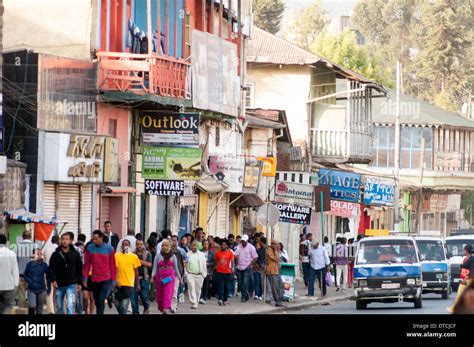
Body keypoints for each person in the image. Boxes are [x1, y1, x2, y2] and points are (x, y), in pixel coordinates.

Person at [83, 230, 117, 315]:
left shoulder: (109, 249)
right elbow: (87, 264)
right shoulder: (90, 248)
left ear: (101, 238)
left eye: (96, 239)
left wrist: (113, 280)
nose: (94, 241)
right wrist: (85, 278)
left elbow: (112, 265)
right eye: (93, 239)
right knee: (97, 300)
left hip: (106, 278)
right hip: (94, 279)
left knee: (101, 299)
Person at [48, 232, 83, 314]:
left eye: (67, 239)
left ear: (70, 241)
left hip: (72, 284)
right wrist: (53, 280)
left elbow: (79, 269)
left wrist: (79, 283)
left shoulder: (75, 254)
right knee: (59, 306)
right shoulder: (55, 254)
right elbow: (51, 268)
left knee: (70, 306)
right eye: (63, 239)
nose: (64, 241)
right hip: (59, 284)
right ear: (60, 241)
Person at [151, 239, 182, 314]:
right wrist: (152, 277)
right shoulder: (158, 256)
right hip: (160, 277)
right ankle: (162, 307)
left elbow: (176, 268)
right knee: (159, 295)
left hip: (170, 277)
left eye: (166, 245)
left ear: (169, 246)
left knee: (167, 293)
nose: (164, 247)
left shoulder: (173, 256)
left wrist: (179, 278)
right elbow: (155, 267)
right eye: (162, 245)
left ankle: (166, 308)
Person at [114, 239, 141, 315]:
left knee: (124, 305)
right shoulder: (116, 256)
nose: (125, 246)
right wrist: (115, 281)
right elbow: (115, 269)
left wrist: (137, 283)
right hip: (118, 283)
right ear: (121, 246)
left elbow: (136, 271)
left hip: (129, 283)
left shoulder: (134, 257)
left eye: (127, 244)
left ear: (129, 246)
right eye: (123, 244)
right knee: (116, 301)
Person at [448, 244, 474, 313]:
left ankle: (455, 308)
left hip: (468, 280)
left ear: (467, 250)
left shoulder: (472, 259)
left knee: (460, 293)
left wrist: (465, 279)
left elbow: (472, 270)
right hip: (463, 278)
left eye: (464, 250)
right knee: (460, 293)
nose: (463, 251)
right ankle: (455, 307)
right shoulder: (466, 258)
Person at [23, 249, 50, 315]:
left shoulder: (44, 265)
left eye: (41, 254)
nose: (39, 256)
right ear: (34, 255)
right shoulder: (30, 264)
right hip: (31, 289)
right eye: (37, 254)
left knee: (39, 309)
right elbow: (25, 275)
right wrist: (30, 282)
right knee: (32, 305)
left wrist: (49, 287)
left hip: (42, 289)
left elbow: (48, 276)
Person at [16, 230, 37, 308]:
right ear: (30, 237)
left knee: (21, 293)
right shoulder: (34, 246)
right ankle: (31, 310)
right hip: (31, 275)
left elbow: (16, 260)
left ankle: (21, 310)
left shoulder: (17, 246)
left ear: (22, 237)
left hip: (20, 274)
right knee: (31, 293)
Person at [131, 239, 152, 314]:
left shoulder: (147, 253)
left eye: (141, 244)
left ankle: (146, 307)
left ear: (143, 245)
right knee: (133, 298)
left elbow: (149, 264)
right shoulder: (132, 254)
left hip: (144, 278)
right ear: (136, 245)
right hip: (133, 279)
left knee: (144, 296)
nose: (139, 246)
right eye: (138, 244)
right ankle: (135, 312)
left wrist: (138, 261)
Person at [234, 234, 258, 303]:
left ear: (247, 241)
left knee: (245, 282)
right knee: (240, 282)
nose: (243, 242)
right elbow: (236, 255)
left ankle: (244, 296)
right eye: (242, 241)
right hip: (239, 267)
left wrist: (250, 265)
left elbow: (255, 257)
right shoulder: (238, 246)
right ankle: (246, 295)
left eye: (244, 241)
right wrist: (236, 263)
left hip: (247, 267)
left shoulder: (251, 247)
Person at [185, 240, 207, 309]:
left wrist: (204, 274)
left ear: (197, 246)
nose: (194, 247)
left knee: (198, 290)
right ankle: (193, 302)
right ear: (190, 246)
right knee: (191, 288)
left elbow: (204, 265)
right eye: (192, 245)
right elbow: (185, 264)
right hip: (190, 274)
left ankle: (196, 303)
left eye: (195, 245)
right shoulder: (187, 254)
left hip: (200, 275)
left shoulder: (202, 254)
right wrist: (186, 273)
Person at [0, 234, 19, 314]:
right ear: (6, 242)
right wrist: (15, 284)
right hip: (9, 286)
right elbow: (15, 271)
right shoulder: (11, 254)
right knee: (8, 306)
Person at [214, 239, 235, 306]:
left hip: (227, 272)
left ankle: (225, 299)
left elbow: (232, 261)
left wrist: (233, 268)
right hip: (219, 272)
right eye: (222, 245)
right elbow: (216, 261)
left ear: (227, 246)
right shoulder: (218, 253)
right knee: (220, 286)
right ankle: (220, 299)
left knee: (226, 287)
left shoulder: (230, 253)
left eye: (224, 245)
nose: (223, 246)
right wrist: (214, 268)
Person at [265, 240, 285, 307]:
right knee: (275, 287)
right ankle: (277, 301)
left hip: (276, 271)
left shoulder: (275, 251)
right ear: (272, 244)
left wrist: (277, 250)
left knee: (281, 286)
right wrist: (277, 250)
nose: (278, 246)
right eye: (276, 245)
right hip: (271, 271)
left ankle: (280, 300)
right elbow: (276, 258)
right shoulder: (269, 250)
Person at [43, 234, 59, 314]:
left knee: (49, 293)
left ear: (51, 241)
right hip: (59, 274)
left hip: (48, 274)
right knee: (60, 292)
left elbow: (45, 262)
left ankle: (51, 311)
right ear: (58, 241)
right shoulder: (60, 249)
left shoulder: (46, 249)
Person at [171, 235, 188, 311]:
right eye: (172, 240)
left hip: (177, 274)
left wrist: (183, 269)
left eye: (175, 240)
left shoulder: (181, 251)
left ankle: (174, 306)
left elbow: (186, 259)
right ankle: (169, 304)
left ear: (177, 241)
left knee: (175, 290)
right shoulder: (166, 250)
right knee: (168, 289)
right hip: (167, 274)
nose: (173, 242)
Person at [200, 239, 214, 304]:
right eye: (204, 244)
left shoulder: (211, 253)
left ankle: (204, 297)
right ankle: (200, 296)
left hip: (207, 271)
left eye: (207, 244)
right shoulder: (199, 252)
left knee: (206, 285)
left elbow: (213, 262)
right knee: (200, 285)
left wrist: (208, 264)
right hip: (200, 271)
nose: (206, 245)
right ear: (202, 245)